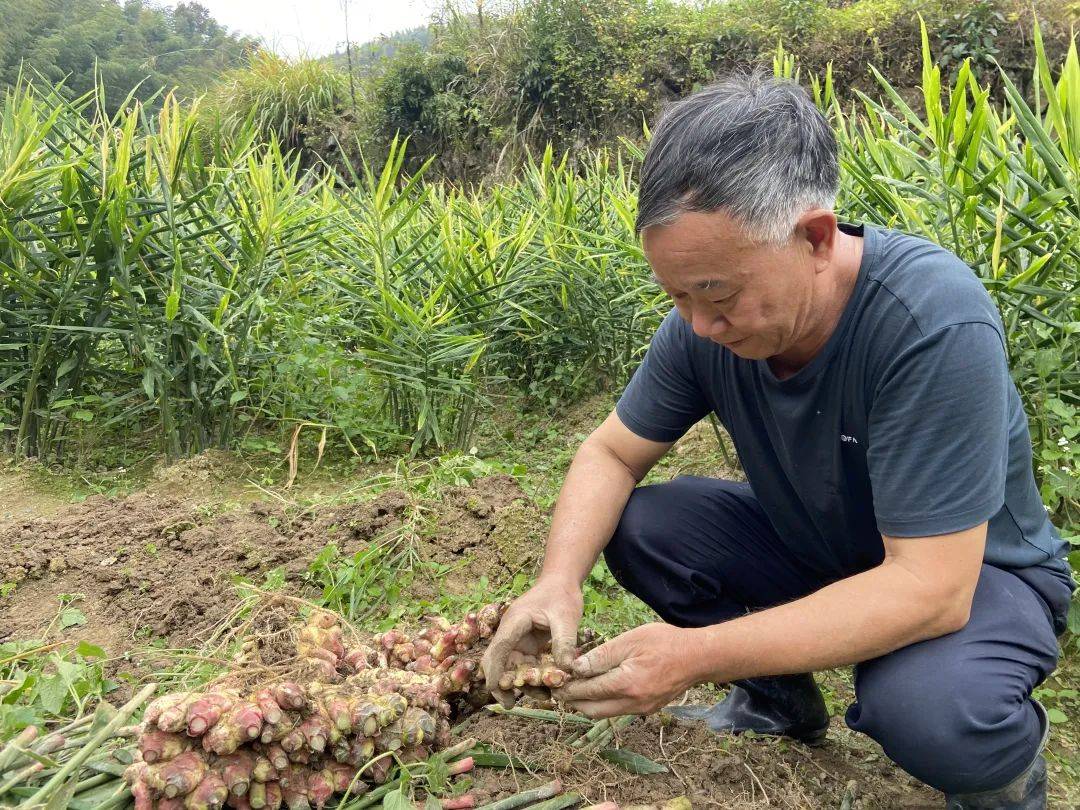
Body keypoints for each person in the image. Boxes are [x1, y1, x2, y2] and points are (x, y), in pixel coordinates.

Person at [479, 72, 1075, 810]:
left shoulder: (931, 323)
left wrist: (692, 657)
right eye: (676, 295)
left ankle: (1003, 781)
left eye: (717, 293)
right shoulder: (705, 327)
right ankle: (779, 705)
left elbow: (930, 589)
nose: (698, 325)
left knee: (932, 708)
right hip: (824, 548)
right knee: (645, 526)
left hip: (974, 577)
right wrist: (557, 580)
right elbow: (611, 452)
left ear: (816, 237)